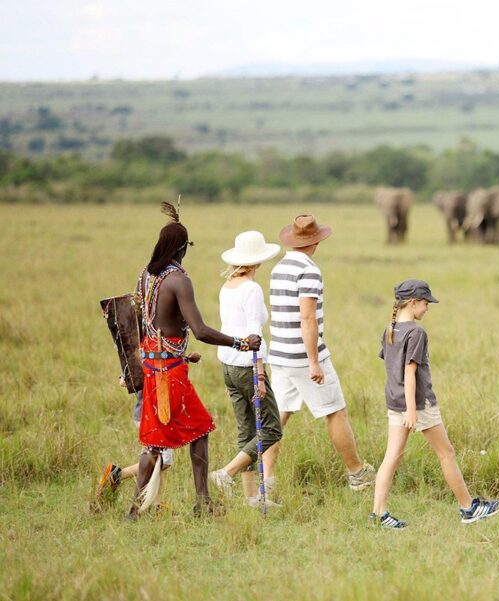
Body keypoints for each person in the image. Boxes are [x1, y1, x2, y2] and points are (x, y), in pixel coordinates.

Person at [127, 201, 262, 520]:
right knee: (157, 443)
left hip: (155, 366)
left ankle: (199, 503)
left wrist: (177, 352)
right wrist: (241, 342)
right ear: (182, 248)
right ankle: (137, 512)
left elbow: (146, 323)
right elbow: (200, 329)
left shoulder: (145, 277)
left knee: (191, 432)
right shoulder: (178, 280)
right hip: (167, 375)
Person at [370, 279, 499, 528]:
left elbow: (391, 368)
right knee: (446, 453)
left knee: (392, 456)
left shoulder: (389, 329)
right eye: (425, 303)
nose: (427, 308)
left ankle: (379, 513)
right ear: (412, 303)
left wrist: (403, 405)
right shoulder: (416, 332)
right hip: (418, 405)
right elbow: (409, 372)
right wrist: (412, 410)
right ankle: (469, 508)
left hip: (394, 401)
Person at [268, 215, 374, 491]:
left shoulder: (279, 268)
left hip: (279, 354)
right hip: (304, 355)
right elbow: (307, 318)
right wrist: (314, 361)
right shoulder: (310, 270)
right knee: (335, 412)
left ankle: (266, 479)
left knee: (278, 415)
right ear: (315, 240)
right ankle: (356, 473)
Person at [209, 231, 285, 509]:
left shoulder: (228, 285)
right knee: (272, 429)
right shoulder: (251, 289)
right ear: (259, 261)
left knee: (247, 431)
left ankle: (252, 497)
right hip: (247, 366)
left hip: (228, 364)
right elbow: (255, 334)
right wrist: (261, 374)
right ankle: (225, 473)